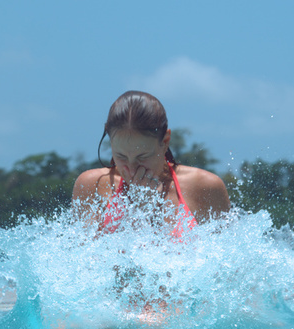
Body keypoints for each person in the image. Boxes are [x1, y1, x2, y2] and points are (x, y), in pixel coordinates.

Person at [72, 90, 230, 234]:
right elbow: (87, 261)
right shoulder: (92, 186)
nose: (132, 170)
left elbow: (226, 263)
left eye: (142, 156)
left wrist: (151, 211)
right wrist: (136, 210)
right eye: (121, 156)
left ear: (165, 141)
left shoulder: (205, 187)